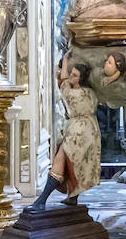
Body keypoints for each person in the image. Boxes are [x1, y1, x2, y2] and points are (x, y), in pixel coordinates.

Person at [27, 61, 102, 210]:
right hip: (89, 130)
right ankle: (71, 197)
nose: (70, 78)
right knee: (73, 165)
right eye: (72, 74)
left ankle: (42, 200)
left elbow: (62, 79)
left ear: (80, 79)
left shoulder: (72, 93)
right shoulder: (90, 93)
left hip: (78, 133)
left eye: (75, 75)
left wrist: (66, 60)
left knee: (64, 162)